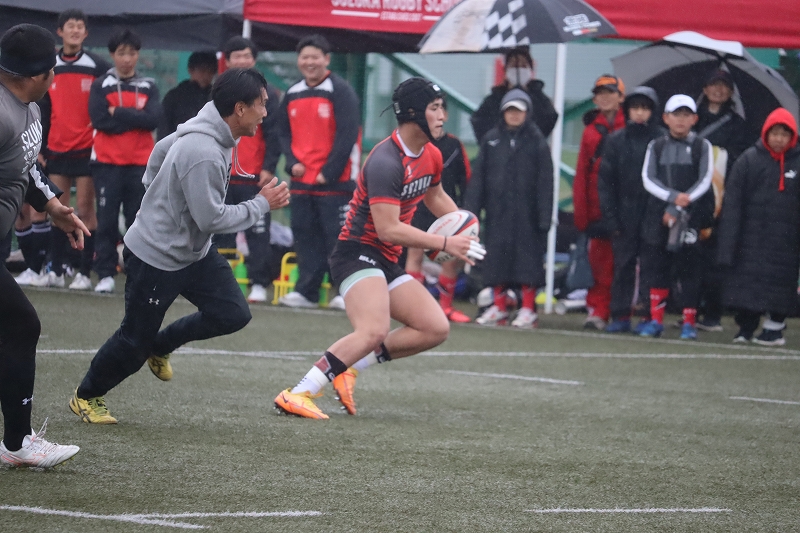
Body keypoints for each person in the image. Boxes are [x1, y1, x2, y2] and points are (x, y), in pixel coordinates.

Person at [69, 68, 290, 424]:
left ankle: (161, 345)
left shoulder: (210, 131)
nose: (265, 113)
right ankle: (86, 395)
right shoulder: (203, 150)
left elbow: (159, 151)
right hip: (155, 258)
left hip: (193, 253)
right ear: (239, 109)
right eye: (261, 105)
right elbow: (211, 219)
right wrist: (261, 204)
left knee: (233, 313)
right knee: (133, 343)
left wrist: (156, 195)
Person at [273, 77, 484, 419]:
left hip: (384, 258)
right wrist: (447, 242)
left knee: (434, 328)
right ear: (414, 113)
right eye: (435, 108)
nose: (443, 116)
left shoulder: (430, 154)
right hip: (356, 253)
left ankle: (349, 368)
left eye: (442, 108)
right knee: (373, 329)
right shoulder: (386, 160)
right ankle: (298, 392)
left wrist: (466, 228)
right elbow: (389, 229)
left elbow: (435, 196)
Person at [0, 23, 88, 468]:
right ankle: (17, 443)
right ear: (37, 74)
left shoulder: (29, 107)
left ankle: (17, 442)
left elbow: (27, 166)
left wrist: (54, 206)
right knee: (21, 325)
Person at [277, 34, 360, 310]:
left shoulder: (341, 91)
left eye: (315, 57)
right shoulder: (292, 92)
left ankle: (345, 291)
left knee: (338, 238)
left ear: (327, 59)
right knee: (304, 235)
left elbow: (348, 134)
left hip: (335, 183)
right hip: (302, 182)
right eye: (305, 57)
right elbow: (283, 132)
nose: (309, 62)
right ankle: (307, 292)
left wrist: (330, 171)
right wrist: (291, 163)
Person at [30, 9, 111, 290]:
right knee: (58, 209)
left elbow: (106, 104)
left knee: (86, 210)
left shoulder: (98, 66)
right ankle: (54, 270)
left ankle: (84, 273)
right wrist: (41, 146)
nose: (75, 31)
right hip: (56, 148)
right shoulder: (48, 66)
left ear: (86, 33)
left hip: (88, 150)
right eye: (70, 26)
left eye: (80, 26)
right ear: (60, 32)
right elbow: (42, 108)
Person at [466, 88, 553, 328]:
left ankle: (528, 309)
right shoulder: (491, 140)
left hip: (528, 216)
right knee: (496, 263)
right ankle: (499, 307)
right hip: (497, 214)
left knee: (528, 264)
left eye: (519, 111)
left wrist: (544, 217)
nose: (514, 115)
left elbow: (546, 182)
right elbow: (479, 179)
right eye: (510, 110)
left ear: (527, 113)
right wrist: (472, 212)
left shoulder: (537, 141)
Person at [716, 108, 800, 346]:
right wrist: (728, 241)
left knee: (781, 285)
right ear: (766, 134)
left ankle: (774, 329)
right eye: (775, 133)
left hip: (786, 240)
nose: (779, 139)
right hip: (750, 237)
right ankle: (746, 328)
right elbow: (733, 202)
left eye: (784, 134)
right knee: (747, 284)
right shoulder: (748, 159)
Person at [88, 29, 161, 294]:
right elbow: (99, 121)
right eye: (121, 53)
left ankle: (137, 274)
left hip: (140, 164)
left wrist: (117, 112)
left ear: (138, 55)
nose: (127, 59)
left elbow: (152, 120)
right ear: (112, 55)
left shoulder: (149, 86)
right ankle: (105, 273)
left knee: (137, 221)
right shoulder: (101, 85)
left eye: (132, 53)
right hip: (107, 164)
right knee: (106, 221)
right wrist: (135, 119)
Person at [638, 95, 714, 340]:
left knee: (690, 270)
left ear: (694, 119)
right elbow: (648, 178)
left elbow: (705, 179)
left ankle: (689, 323)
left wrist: (683, 201)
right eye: (676, 114)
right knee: (657, 268)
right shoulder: (656, 145)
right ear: (665, 118)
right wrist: (672, 198)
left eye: (686, 115)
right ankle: (656, 321)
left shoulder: (702, 146)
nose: (681, 120)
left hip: (691, 215)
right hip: (658, 215)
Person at [213, 37, 282, 304]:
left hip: (254, 177)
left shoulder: (267, 94)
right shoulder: (219, 92)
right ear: (227, 60)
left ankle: (259, 283)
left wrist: (269, 167)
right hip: (223, 176)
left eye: (246, 56)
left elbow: (274, 134)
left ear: (254, 60)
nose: (242, 60)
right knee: (221, 232)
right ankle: (220, 282)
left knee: (258, 232)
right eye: (236, 56)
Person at [598, 87, 665, 333]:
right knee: (623, 266)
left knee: (651, 266)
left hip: (654, 213)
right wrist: (611, 217)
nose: (639, 113)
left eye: (645, 108)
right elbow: (606, 182)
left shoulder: (662, 140)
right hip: (624, 213)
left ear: (653, 111)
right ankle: (620, 314)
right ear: (627, 111)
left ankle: (648, 315)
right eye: (635, 108)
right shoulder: (616, 140)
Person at [692, 69, 751, 332]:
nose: (718, 90)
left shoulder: (738, 125)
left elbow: (740, 159)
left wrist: (717, 155)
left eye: (724, 86)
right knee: (689, 259)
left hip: (722, 200)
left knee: (715, 259)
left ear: (731, 92)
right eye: (713, 84)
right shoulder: (691, 118)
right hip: (693, 196)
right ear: (704, 89)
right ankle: (689, 310)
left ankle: (712, 314)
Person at [405, 98, 472, 323]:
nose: (437, 114)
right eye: (432, 109)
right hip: (417, 209)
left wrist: (464, 213)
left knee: (449, 258)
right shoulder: (415, 144)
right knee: (414, 255)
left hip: (446, 211)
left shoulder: (454, 145)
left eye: (441, 109)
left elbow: (466, 180)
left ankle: (445, 307)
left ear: (446, 115)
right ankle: (413, 308)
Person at [573, 75, 626, 330]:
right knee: (599, 266)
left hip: (626, 209)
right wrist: (582, 215)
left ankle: (622, 312)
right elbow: (581, 174)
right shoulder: (590, 131)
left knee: (625, 265)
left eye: (610, 92)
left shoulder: (632, 128)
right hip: (597, 211)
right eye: (600, 93)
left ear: (621, 97)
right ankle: (598, 310)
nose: (604, 97)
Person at [471, 47, 558, 141]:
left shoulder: (540, 99)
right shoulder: (494, 99)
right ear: (506, 71)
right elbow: (479, 121)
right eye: (513, 65)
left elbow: (550, 117)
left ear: (530, 70)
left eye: (523, 66)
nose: (518, 69)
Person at [157, 50, 218, 140]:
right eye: (202, 70)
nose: (206, 75)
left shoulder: (216, 97)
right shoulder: (175, 96)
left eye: (211, 71)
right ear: (190, 70)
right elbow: (164, 128)